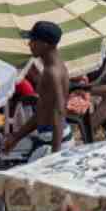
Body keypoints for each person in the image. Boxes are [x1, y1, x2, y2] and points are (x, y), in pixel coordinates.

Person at [18, 21, 69, 152]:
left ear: (45, 44)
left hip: (53, 141)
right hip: (54, 136)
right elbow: (44, 109)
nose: (29, 44)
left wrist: (55, 154)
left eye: (33, 40)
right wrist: (15, 137)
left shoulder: (51, 72)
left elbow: (59, 111)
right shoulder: (59, 66)